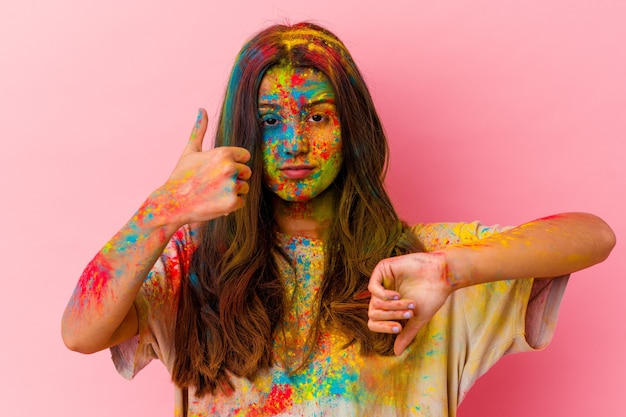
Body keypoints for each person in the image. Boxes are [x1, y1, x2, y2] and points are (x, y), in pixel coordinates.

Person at [62, 22, 615, 417]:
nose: (295, 141)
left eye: (319, 116)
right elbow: (80, 332)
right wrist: (163, 209)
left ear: (352, 128)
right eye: (271, 119)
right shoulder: (195, 265)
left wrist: (452, 270)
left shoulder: (417, 263)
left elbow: (593, 234)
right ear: (244, 134)